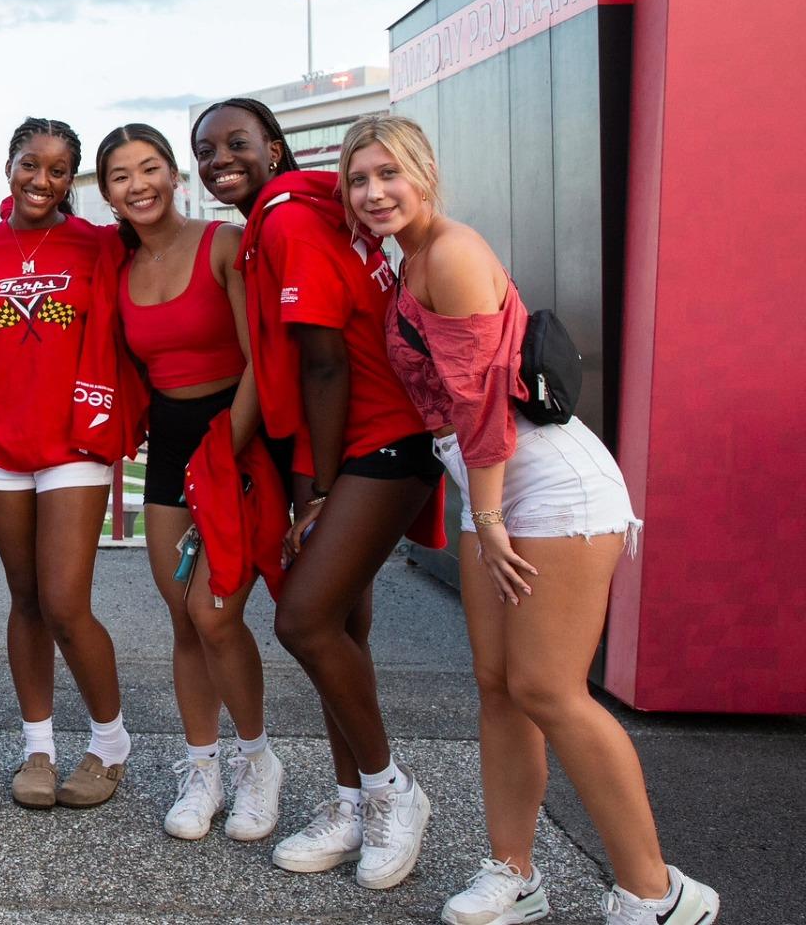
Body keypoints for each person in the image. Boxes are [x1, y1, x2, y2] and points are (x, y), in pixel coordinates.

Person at [342, 114, 720, 925]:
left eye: (388, 173)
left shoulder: (450, 253)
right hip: (496, 491)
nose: (373, 192)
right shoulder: (409, 261)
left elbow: (482, 404)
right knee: (499, 690)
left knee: (549, 689)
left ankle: (657, 894)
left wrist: (486, 512)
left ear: (424, 172)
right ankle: (515, 873)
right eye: (358, 179)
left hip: (546, 488)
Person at [193, 97, 442, 890]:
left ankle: (391, 792)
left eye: (236, 142)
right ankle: (348, 803)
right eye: (206, 148)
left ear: (274, 145)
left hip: (379, 442)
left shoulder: (291, 221)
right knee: (342, 631)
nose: (218, 157)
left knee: (303, 620)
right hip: (349, 442)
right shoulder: (296, 209)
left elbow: (326, 363)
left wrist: (318, 494)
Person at [98, 123, 283, 841]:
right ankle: (200, 766)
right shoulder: (119, 268)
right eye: (120, 176)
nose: (137, 185)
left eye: (149, 168)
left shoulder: (224, 246)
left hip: (234, 442)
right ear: (108, 193)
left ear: (175, 175)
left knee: (215, 613)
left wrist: (224, 457)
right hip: (173, 451)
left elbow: (262, 366)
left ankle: (257, 762)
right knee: (182, 613)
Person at [0, 117, 139, 810]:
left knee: (65, 602)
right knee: (26, 598)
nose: (42, 180)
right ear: (9, 165)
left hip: (72, 444)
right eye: (30, 165)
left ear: (73, 180)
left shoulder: (97, 245)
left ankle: (111, 742)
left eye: (58, 170)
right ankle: (38, 746)